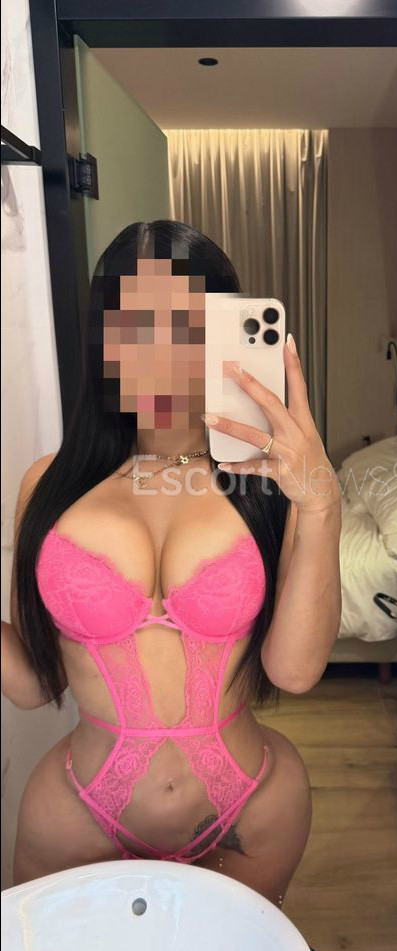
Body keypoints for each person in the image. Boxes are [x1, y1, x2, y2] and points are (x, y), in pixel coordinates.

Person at [1, 220, 342, 909]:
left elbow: (294, 670)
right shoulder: (49, 485)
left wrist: (322, 502)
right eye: (134, 326)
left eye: (186, 326)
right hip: (74, 815)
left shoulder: (269, 485)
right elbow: (34, 684)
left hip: (252, 810)